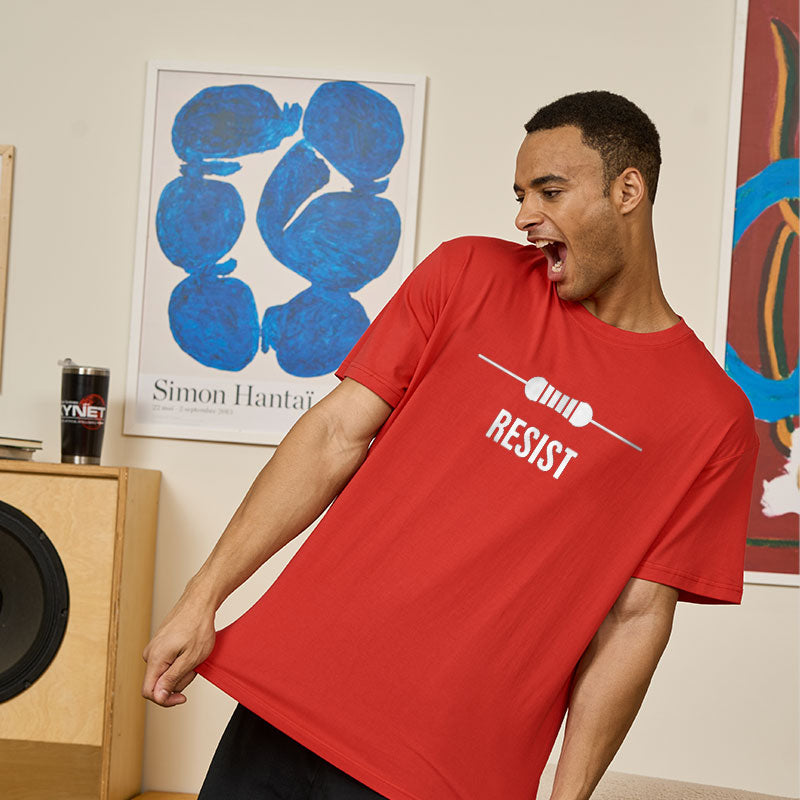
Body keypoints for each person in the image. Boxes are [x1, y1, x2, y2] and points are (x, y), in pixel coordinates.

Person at [142, 91, 758, 800]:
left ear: (627, 191)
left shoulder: (710, 417)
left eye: (550, 191)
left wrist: (569, 797)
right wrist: (202, 597)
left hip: (446, 767)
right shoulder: (466, 274)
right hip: (292, 698)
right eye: (521, 195)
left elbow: (636, 619)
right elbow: (335, 434)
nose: (525, 216)